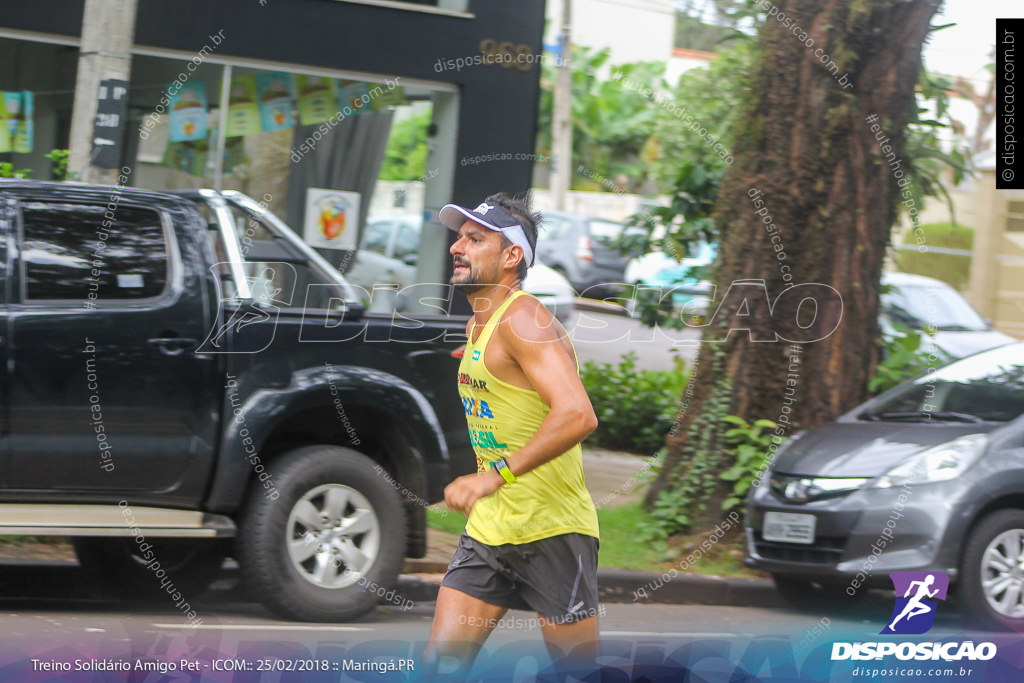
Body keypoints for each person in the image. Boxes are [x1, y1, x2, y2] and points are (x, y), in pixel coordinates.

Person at [424, 192, 601, 676]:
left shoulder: (525, 318)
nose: (458, 247)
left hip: (552, 529)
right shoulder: (480, 325)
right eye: (459, 237)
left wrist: (491, 477)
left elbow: (578, 415)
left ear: (511, 257)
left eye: (475, 239)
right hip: (490, 529)